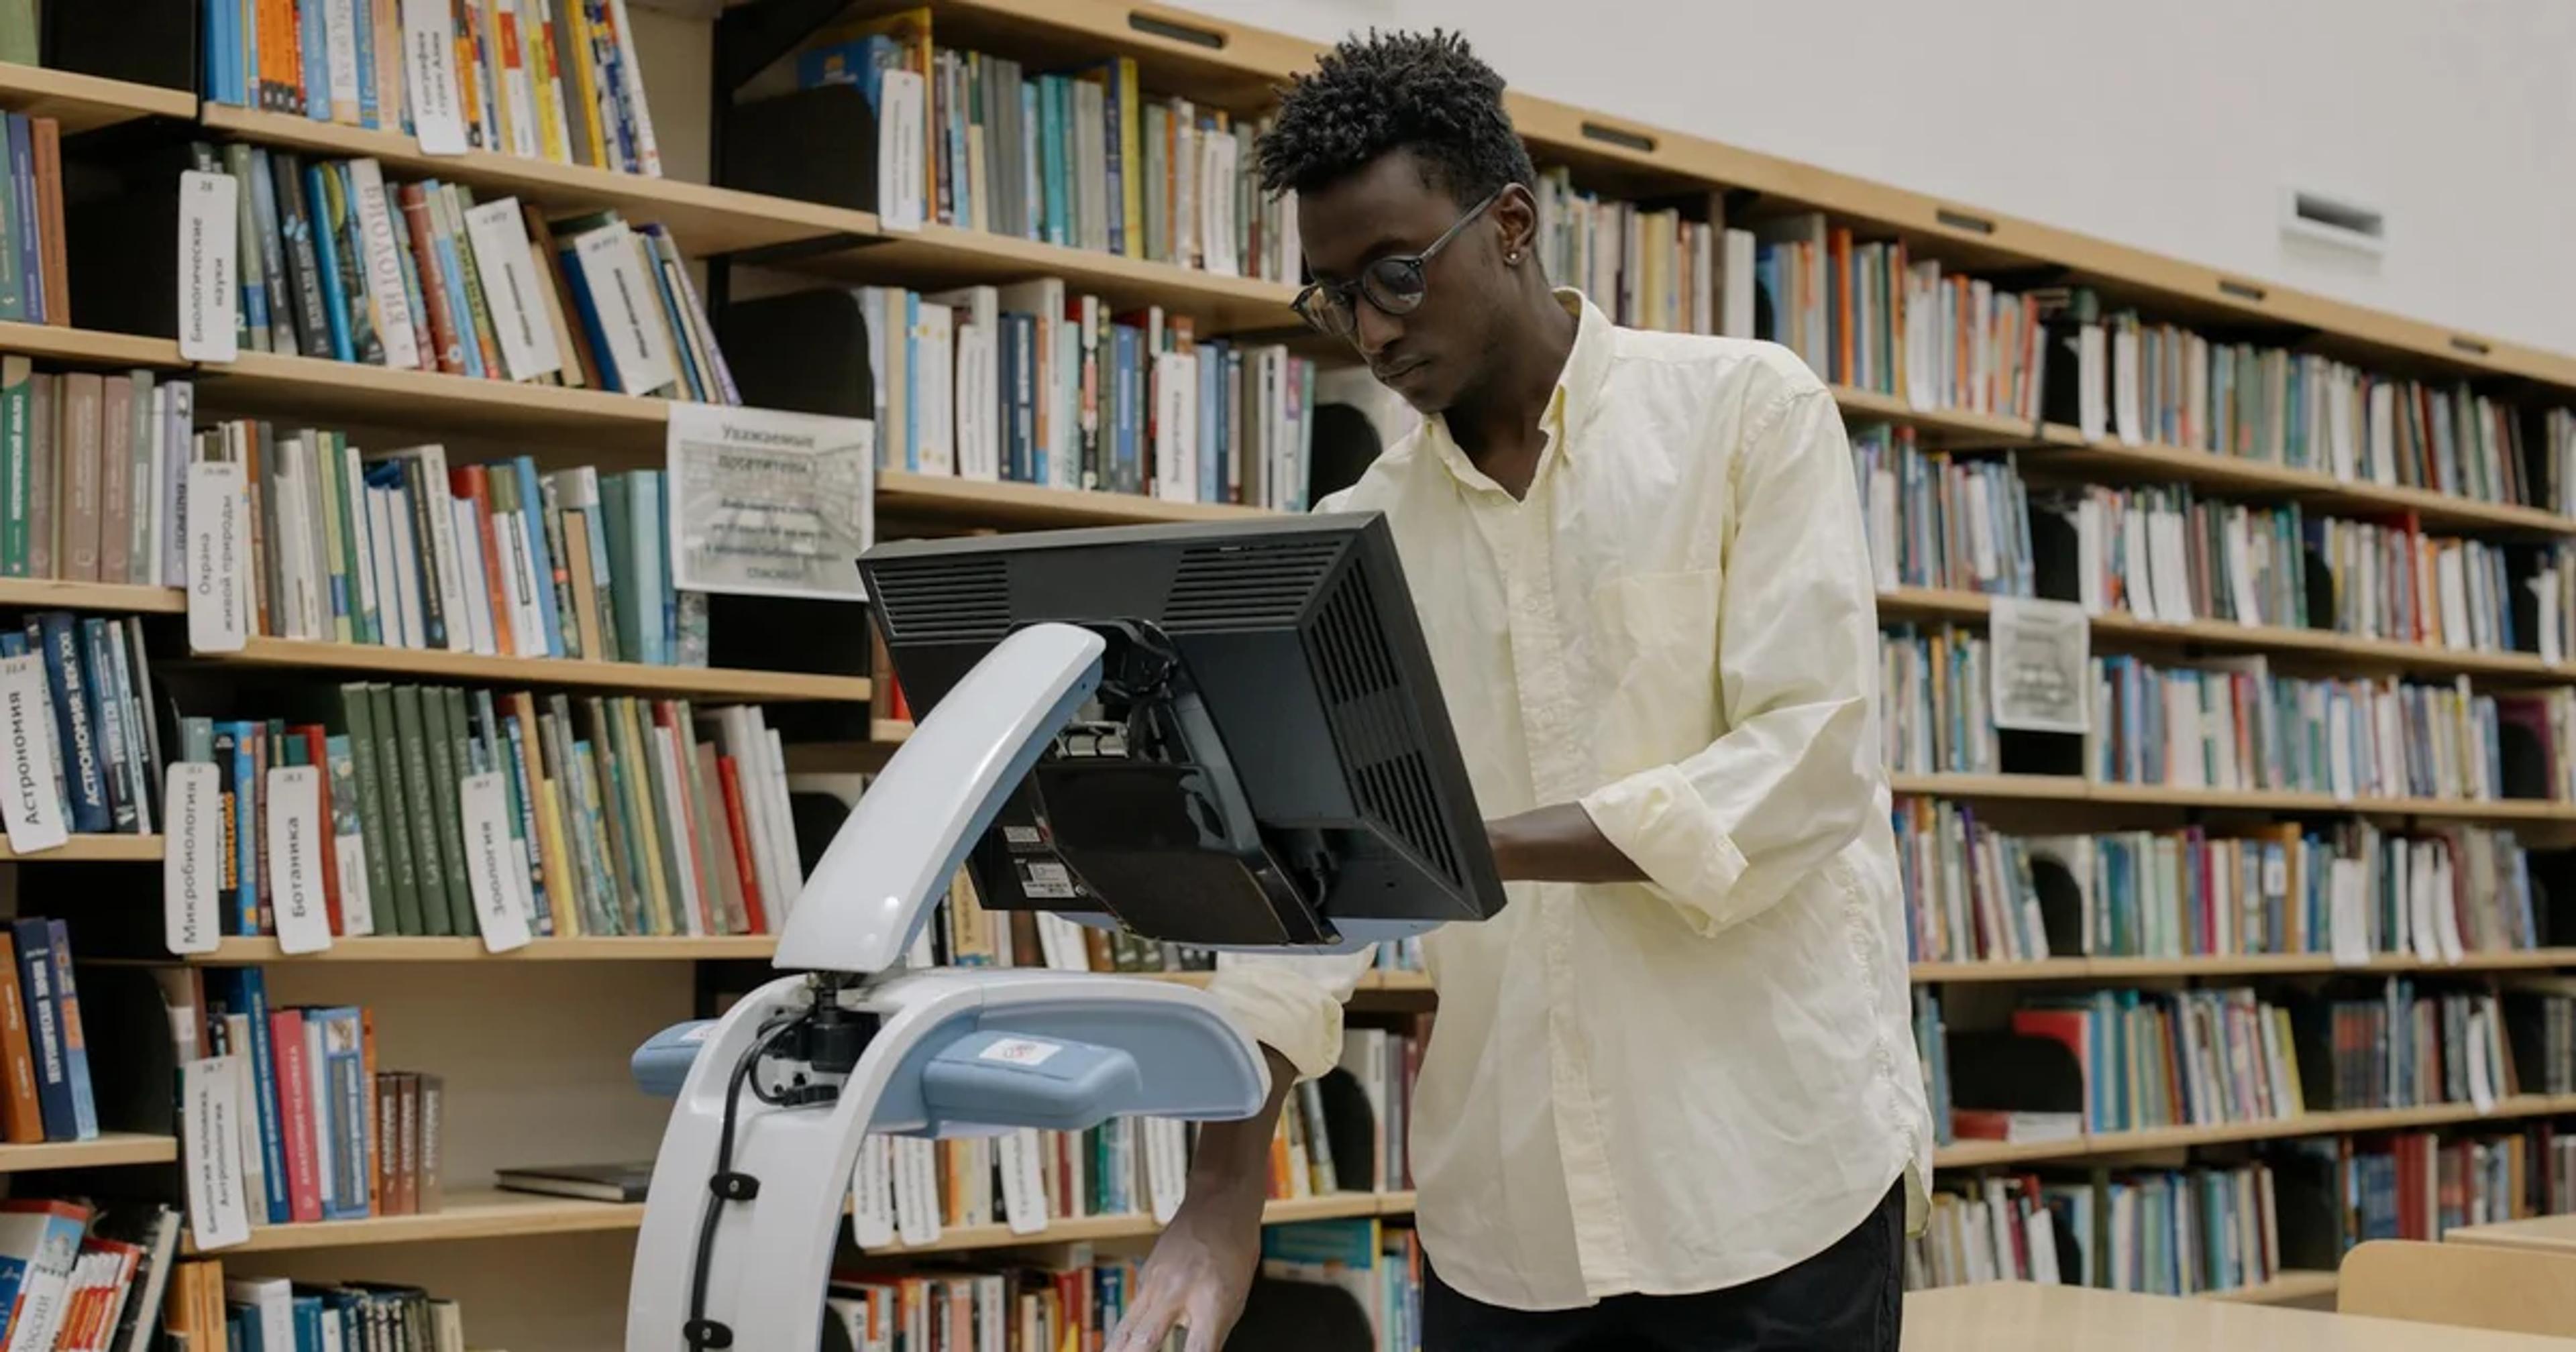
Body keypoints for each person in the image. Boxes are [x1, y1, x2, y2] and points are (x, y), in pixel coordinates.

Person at [1106, 29, 1931, 1352]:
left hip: (1768, 1188)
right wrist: (1219, 1203)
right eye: (1335, 297)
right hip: (1510, 1227)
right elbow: (1297, 903)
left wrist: (1460, 847)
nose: (1373, 329)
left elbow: (1806, 763)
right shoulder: (1354, 541)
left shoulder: (1744, 416)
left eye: (1396, 274)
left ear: (1509, 224)